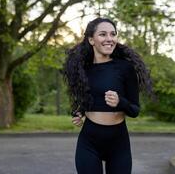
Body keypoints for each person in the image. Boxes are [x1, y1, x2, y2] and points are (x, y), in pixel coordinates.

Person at [63, 17, 154, 174]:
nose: (109, 39)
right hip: (89, 141)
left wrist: (120, 102)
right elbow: (85, 100)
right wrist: (79, 112)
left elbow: (134, 110)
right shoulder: (82, 69)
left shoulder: (125, 68)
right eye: (103, 34)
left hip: (118, 142)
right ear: (91, 39)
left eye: (113, 34)